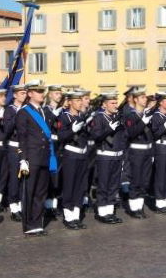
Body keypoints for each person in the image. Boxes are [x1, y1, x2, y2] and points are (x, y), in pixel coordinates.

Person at [16, 80, 57, 236]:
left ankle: (37, 222)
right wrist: (23, 159)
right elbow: (22, 138)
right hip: (31, 158)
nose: (41, 94)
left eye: (42, 91)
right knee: (29, 192)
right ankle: (28, 225)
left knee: (41, 192)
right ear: (30, 94)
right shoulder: (24, 112)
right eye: (38, 91)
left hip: (44, 157)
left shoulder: (44, 112)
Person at [90, 91, 126, 224]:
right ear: (104, 105)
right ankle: (102, 212)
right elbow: (96, 137)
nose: (115, 105)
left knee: (114, 185)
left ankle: (110, 211)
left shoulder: (116, 117)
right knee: (103, 184)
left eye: (116, 103)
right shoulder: (99, 118)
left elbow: (123, 137)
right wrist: (109, 129)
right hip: (105, 156)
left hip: (117, 156)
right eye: (112, 103)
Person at [58, 91, 89, 230]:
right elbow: (61, 136)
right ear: (69, 102)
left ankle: (76, 215)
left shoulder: (82, 116)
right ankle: (68, 216)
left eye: (81, 100)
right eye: (77, 100)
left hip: (82, 155)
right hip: (71, 155)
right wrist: (72, 130)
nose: (80, 103)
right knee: (69, 185)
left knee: (80, 186)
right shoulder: (64, 117)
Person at [124, 87, 154, 219]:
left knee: (144, 181)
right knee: (135, 180)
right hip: (136, 151)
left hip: (147, 151)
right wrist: (143, 122)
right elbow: (131, 133)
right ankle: (133, 208)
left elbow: (152, 136)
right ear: (135, 99)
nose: (145, 99)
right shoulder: (130, 115)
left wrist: (152, 153)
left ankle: (139, 206)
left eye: (145, 97)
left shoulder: (146, 114)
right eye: (142, 97)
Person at [3, 83, 27, 222]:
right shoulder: (10, 110)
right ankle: (14, 207)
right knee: (14, 178)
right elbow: (7, 129)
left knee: (24, 177)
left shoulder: (27, 109)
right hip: (14, 146)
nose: (24, 95)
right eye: (22, 93)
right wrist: (17, 116)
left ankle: (22, 204)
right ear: (15, 95)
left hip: (26, 147)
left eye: (25, 93)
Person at [43, 84, 63, 218]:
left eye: (60, 93)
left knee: (58, 178)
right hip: (49, 147)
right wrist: (52, 116)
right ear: (50, 95)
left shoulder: (62, 111)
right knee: (50, 177)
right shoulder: (44, 110)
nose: (59, 95)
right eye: (56, 93)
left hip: (60, 147)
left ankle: (55, 204)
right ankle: (48, 206)